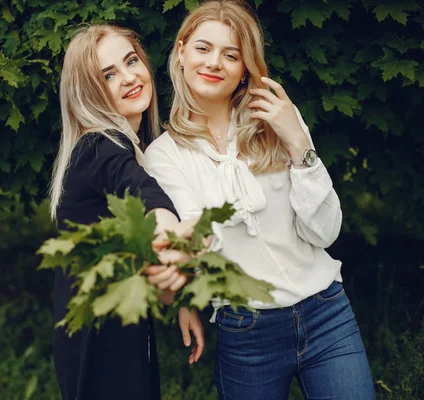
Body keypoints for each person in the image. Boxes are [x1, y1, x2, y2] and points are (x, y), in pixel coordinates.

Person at [144, 1, 376, 399]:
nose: (215, 62)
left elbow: (324, 232)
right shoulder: (164, 156)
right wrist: (183, 287)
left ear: (244, 69)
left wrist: (298, 141)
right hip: (247, 331)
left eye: (231, 54)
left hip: (326, 312)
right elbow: (199, 235)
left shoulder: (277, 119)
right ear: (181, 52)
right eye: (203, 48)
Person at [49, 25, 204, 400]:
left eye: (131, 61)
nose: (129, 77)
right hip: (102, 339)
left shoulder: (129, 146)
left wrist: (179, 293)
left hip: (116, 324)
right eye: (108, 75)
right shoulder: (99, 146)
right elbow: (148, 200)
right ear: (89, 93)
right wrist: (175, 241)